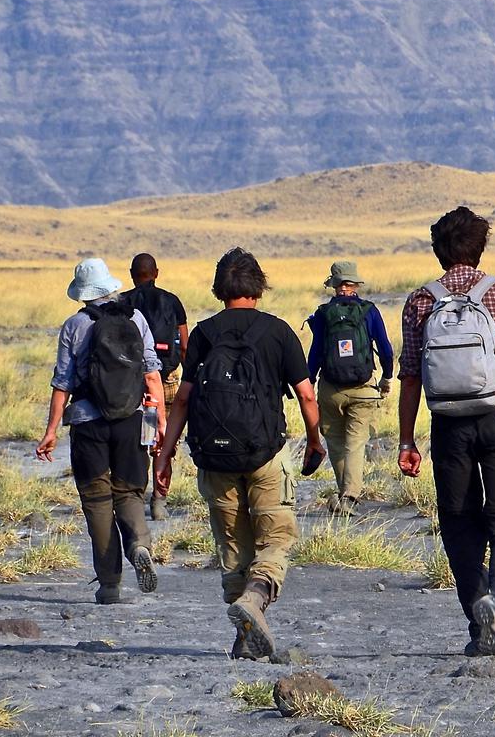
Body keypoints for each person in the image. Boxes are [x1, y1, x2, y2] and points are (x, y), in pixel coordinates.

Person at [397, 207, 495, 658]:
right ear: (481, 247)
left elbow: (410, 375)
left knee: (459, 523)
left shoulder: (419, 301)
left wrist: (407, 440)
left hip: (448, 421)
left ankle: (477, 616)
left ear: (438, 250)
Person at [157, 248, 325, 660]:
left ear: (220, 288)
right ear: (258, 285)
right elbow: (305, 393)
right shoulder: (278, 331)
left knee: (232, 545)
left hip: (214, 459)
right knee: (278, 538)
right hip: (265, 454)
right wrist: (316, 440)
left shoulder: (203, 333)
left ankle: (243, 639)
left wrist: (164, 455)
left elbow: (182, 401)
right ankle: (256, 597)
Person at [34, 258, 167, 605]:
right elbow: (152, 373)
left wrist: (50, 430)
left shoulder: (73, 325)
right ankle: (139, 543)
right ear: (110, 286)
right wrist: (160, 423)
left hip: (86, 423)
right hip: (132, 419)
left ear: (82, 294)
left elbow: (62, 383)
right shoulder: (136, 318)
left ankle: (109, 584)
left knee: (97, 501)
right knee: (130, 492)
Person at [306, 261, 395, 515]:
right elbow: (386, 349)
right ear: (355, 284)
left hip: (330, 389)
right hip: (363, 387)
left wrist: (309, 383)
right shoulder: (369, 311)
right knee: (355, 443)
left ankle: (344, 493)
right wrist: (387, 378)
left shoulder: (323, 314)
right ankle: (350, 496)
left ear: (334, 286)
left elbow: (315, 353)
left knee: (335, 441)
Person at [121, 253, 188, 521]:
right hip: (167, 377)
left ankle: (133, 495)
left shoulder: (122, 303)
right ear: (156, 273)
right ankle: (159, 498)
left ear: (131, 274)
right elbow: (184, 345)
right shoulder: (172, 301)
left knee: (134, 438)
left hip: (131, 381)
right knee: (164, 439)